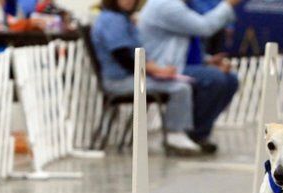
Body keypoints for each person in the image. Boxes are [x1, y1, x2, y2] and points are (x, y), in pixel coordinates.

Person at [91, 0, 202, 155]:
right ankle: (175, 133)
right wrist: (155, 70)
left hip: (129, 77)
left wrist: (156, 71)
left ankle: (179, 132)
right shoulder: (112, 20)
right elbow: (123, 56)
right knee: (180, 88)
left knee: (181, 84)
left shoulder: (119, 18)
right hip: (120, 81)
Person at [139, 0, 241, 152]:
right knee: (215, 79)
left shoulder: (180, 5)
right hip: (161, 70)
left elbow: (178, 48)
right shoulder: (166, 5)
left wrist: (207, 61)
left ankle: (198, 133)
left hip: (175, 67)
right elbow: (205, 27)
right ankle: (190, 133)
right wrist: (228, 4)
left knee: (230, 80)